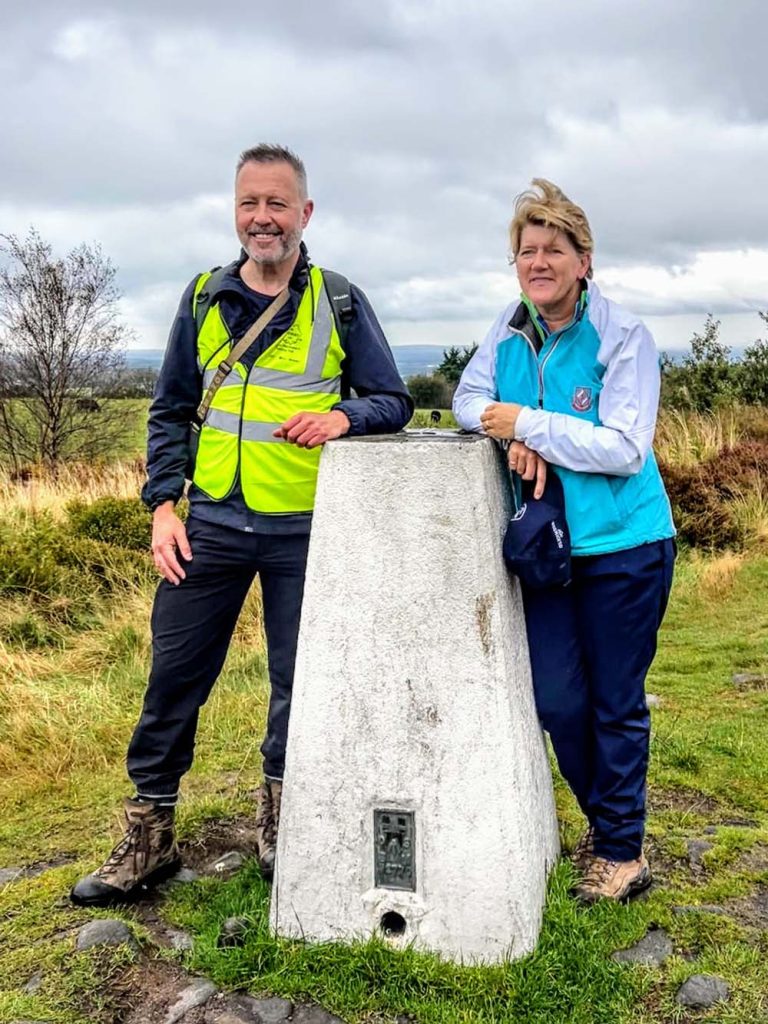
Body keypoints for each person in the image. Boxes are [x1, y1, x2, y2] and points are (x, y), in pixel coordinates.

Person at [71, 144, 413, 906]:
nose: (263, 218)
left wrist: (341, 415)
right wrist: (163, 506)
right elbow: (168, 412)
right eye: (249, 204)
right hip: (210, 527)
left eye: (277, 204)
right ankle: (148, 835)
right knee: (173, 681)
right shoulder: (200, 298)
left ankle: (282, 822)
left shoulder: (340, 301)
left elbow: (392, 401)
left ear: (305, 214)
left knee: (299, 685)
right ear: (236, 212)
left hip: (305, 529)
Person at [453, 179, 676, 903]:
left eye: (554, 249)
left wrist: (529, 427)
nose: (538, 262)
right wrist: (514, 429)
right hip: (549, 551)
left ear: (584, 260)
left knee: (614, 700)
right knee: (557, 700)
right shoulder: (509, 329)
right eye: (527, 251)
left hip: (625, 546)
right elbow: (465, 401)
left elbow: (622, 449)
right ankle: (607, 822)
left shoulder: (622, 336)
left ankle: (620, 850)